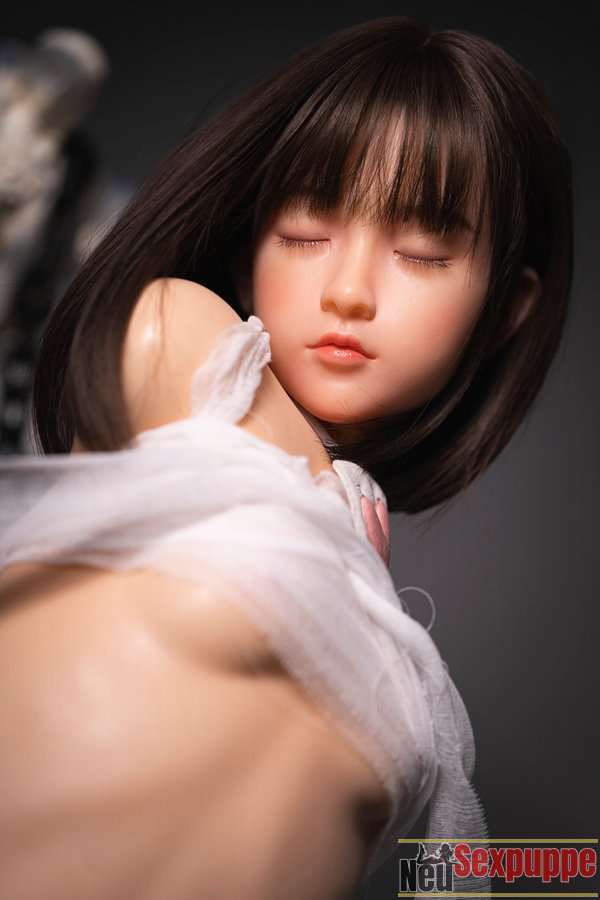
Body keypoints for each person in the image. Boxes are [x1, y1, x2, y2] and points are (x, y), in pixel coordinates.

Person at [0, 15, 572, 900]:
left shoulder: (360, 561)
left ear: (505, 308)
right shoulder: (183, 343)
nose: (348, 290)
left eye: (422, 249)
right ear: (246, 251)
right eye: (306, 231)